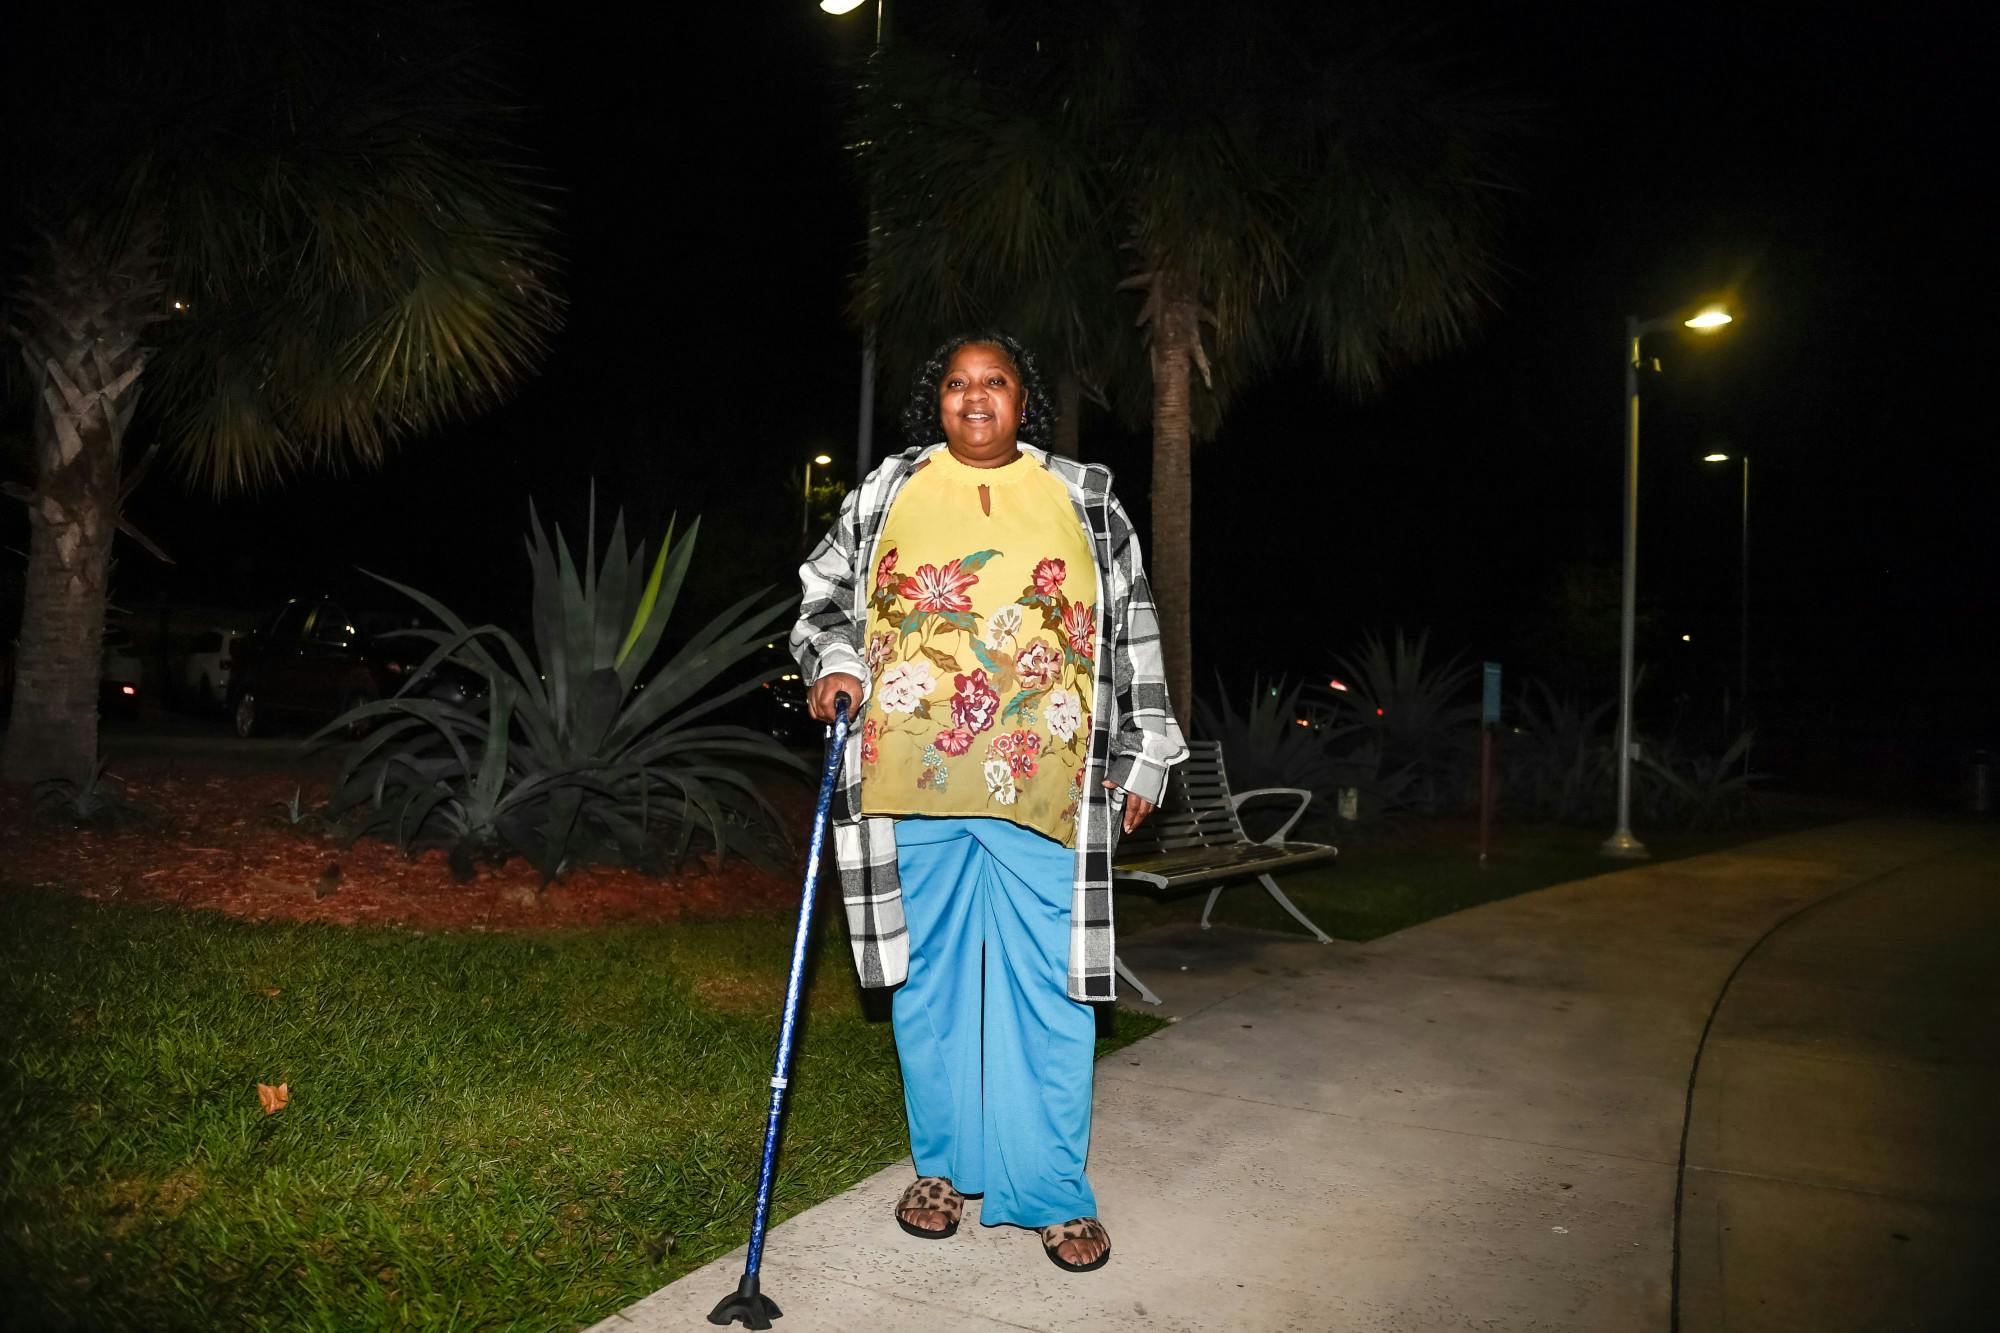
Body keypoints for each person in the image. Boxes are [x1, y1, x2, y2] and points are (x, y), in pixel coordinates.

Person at [791, 332, 1187, 1273]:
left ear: (1023, 399)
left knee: (1053, 990)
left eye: (995, 382)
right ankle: (942, 1170)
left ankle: (1052, 1192)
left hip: (1047, 784)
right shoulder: (885, 490)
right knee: (928, 990)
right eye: (958, 384)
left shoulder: (1084, 496)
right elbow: (821, 598)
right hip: (906, 779)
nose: (976, 399)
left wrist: (1143, 755)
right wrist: (837, 662)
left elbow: (1134, 625)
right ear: (938, 399)